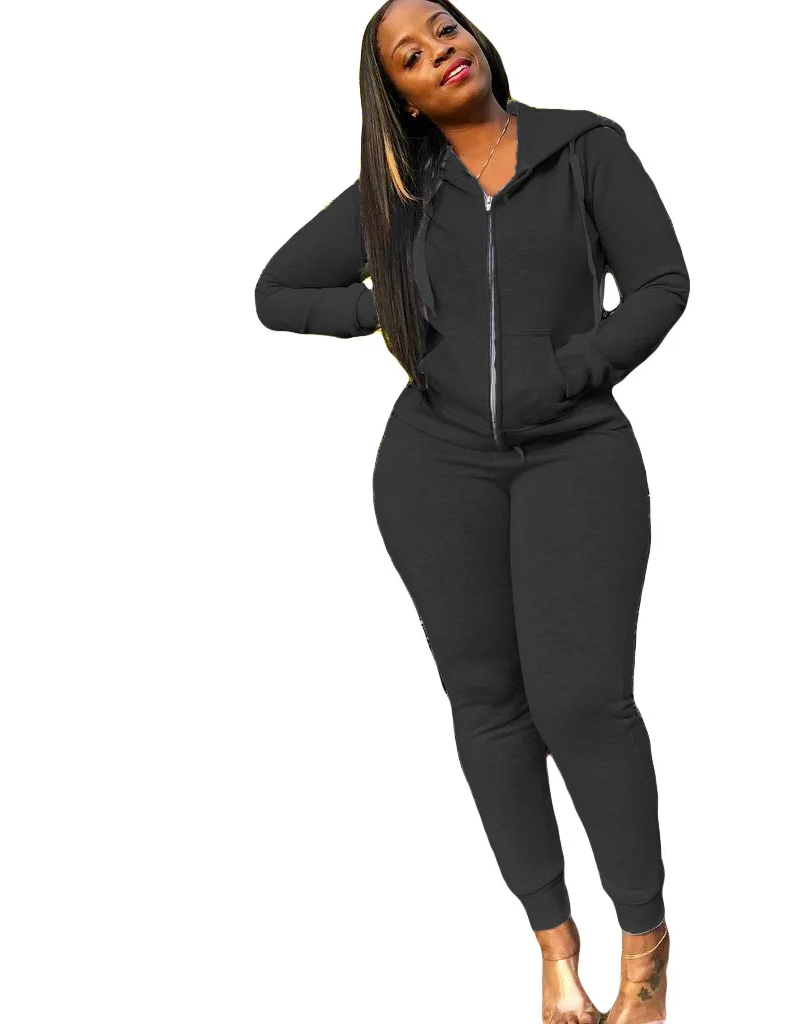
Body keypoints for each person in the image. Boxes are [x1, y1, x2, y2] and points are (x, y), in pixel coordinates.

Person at [254, 3, 689, 1020]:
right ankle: (552, 945)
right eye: (411, 56)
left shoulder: (584, 148)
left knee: (584, 704)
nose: (439, 52)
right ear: (401, 97)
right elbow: (277, 292)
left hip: (578, 457)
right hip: (434, 471)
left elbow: (662, 284)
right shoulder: (403, 193)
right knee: (488, 706)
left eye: (445, 30)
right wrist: (387, 312)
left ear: (477, 39)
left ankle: (646, 943)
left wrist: (572, 370)